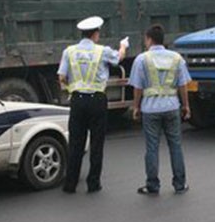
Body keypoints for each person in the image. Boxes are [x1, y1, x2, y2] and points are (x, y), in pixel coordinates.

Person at [58, 16, 128, 193]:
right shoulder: (102, 51)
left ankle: (70, 184)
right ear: (96, 34)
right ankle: (93, 183)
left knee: (75, 143)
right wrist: (123, 46)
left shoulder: (69, 51)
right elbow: (118, 58)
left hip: (77, 101)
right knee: (97, 143)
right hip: (97, 101)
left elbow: (62, 77)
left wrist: (72, 87)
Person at [130, 25, 191, 195]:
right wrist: (186, 106)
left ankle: (152, 185)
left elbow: (137, 87)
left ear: (149, 39)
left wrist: (136, 106)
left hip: (150, 109)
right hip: (172, 107)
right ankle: (180, 184)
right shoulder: (177, 58)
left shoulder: (142, 59)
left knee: (152, 148)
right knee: (176, 146)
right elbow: (183, 85)